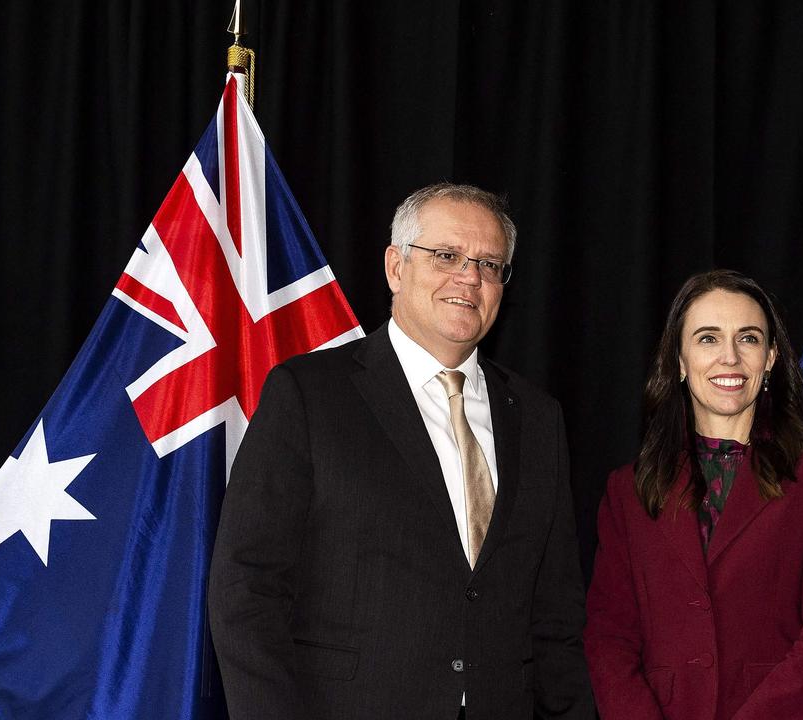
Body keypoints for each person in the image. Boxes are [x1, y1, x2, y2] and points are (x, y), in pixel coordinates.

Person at [209, 183, 595, 720]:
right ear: (395, 267)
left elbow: (555, 614)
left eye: (489, 264)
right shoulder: (310, 394)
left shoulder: (538, 418)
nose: (469, 277)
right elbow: (246, 589)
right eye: (446, 256)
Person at [584, 269, 803, 719]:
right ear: (679, 360)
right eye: (708, 339)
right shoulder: (628, 490)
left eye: (749, 339)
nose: (729, 357)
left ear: (770, 357)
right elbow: (609, 639)